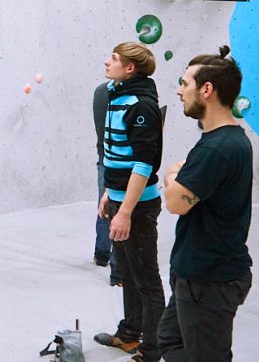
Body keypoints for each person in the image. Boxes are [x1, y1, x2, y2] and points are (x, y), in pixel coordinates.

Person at [159, 46, 252, 361]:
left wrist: (172, 175)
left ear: (207, 90)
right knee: (170, 341)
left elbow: (175, 202)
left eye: (185, 83)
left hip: (209, 280)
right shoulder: (222, 141)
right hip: (199, 273)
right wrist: (179, 175)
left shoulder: (217, 148)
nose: (179, 90)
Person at [94, 42, 165, 362]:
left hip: (137, 207)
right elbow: (117, 154)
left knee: (147, 279)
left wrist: (124, 212)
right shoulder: (117, 94)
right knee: (128, 275)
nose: (108, 62)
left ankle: (152, 349)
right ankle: (128, 335)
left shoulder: (141, 105)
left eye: (115, 59)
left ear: (130, 68)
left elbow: (143, 163)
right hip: (120, 199)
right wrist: (110, 191)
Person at [93, 80, 122, 286]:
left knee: (104, 207)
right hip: (120, 162)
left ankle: (102, 253)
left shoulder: (100, 91)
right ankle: (118, 272)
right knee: (117, 210)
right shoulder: (124, 96)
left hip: (104, 158)